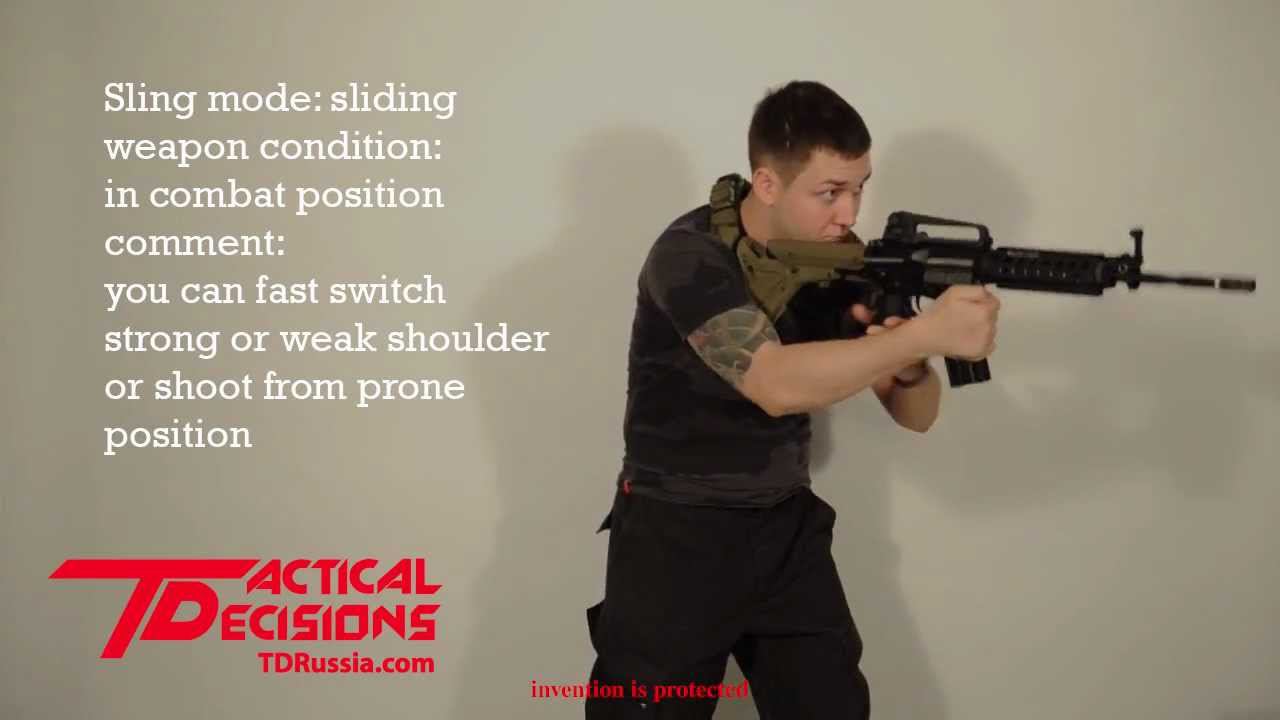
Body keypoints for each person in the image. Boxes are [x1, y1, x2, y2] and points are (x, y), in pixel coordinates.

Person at [583, 80, 999, 719]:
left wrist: (913, 361)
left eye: (859, 188)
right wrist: (924, 334)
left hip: (785, 530)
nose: (848, 213)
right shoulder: (690, 256)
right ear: (768, 183)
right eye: (829, 192)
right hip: (674, 537)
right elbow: (773, 385)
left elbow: (916, 416)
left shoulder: (834, 262)